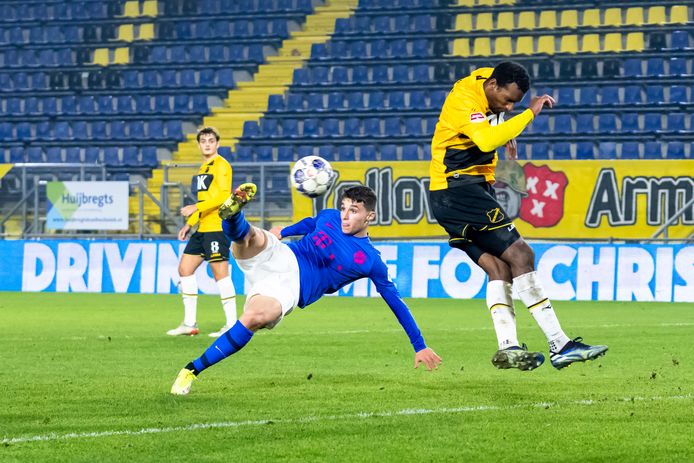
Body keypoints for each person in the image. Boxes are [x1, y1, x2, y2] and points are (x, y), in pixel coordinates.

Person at [171, 184, 441, 395]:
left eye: (353, 211)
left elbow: (395, 302)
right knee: (250, 237)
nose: (345, 215)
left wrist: (419, 345)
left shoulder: (370, 260)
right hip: (283, 255)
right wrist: (284, 232)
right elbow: (312, 223)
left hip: (291, 286)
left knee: (256, 318)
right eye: (344, 208)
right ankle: (233, 214)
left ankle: (190, 370)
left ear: (369, 216)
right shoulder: (330, 217)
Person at [429, 61, 607, 370]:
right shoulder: (464, 98)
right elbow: (484, 139)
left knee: (500, 268)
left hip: (459, 192)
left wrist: (503, 131)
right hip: (459, 190)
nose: (510, 106)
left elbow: (485, 133)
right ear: (493, 85)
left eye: (516, 103)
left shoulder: (487, 87)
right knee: (522, 254)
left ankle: (508, 348)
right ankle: (560, 344)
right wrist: (529, 114)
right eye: (508, 100)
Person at [167, 127, 238, 338]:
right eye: (203, 141)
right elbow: (203, 202)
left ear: (217, 143)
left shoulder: (222, 165)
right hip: (202, 228)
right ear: (199, 145)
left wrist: (195, 208)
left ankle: (232, 324)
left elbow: (224, 196)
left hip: (217, 227)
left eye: (211, 140)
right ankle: (189, 323)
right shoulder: (202, 169)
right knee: (185, 269)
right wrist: (189, 224)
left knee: (220, 275)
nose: (207, 144)